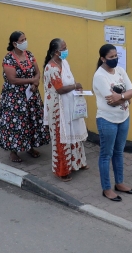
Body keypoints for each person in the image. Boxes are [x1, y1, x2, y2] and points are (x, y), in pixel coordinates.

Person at [0, 31, 49, 162]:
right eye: (22, 40)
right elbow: (12, 79)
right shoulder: (8, 59)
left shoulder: (29, 55)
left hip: (31, 95)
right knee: (16, 123)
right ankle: (13, 151)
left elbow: (37, 72)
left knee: (32, 121)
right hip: (15, 97)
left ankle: (30, 146)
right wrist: (31, 81)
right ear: (14, 43)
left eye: (25, 39)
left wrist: (36, 82)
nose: (25, 42)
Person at [92, 44, 132, 199]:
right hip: (107, 120)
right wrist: (125, 97)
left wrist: (122, 96)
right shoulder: (100, 76)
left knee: (118, 152)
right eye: (111, 57)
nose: (115, 59)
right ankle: (107, 188)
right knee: (106, 154)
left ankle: (119, 183)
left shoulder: (120, 71)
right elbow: (111, 101)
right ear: (103, 59)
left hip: (123, 118)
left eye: (116, 56)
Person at [43, 38, 88, 179]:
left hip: (70, 104)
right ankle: (63, 171)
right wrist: (75, 86)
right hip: (58, 108)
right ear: (56, 52)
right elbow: (60, 89)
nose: (66, 50)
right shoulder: (51, 68)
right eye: (64, 48)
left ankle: (77, 163)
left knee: (74, 133)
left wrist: (77, 86)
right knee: (61, 138)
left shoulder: (64, 63)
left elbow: (70, 79)